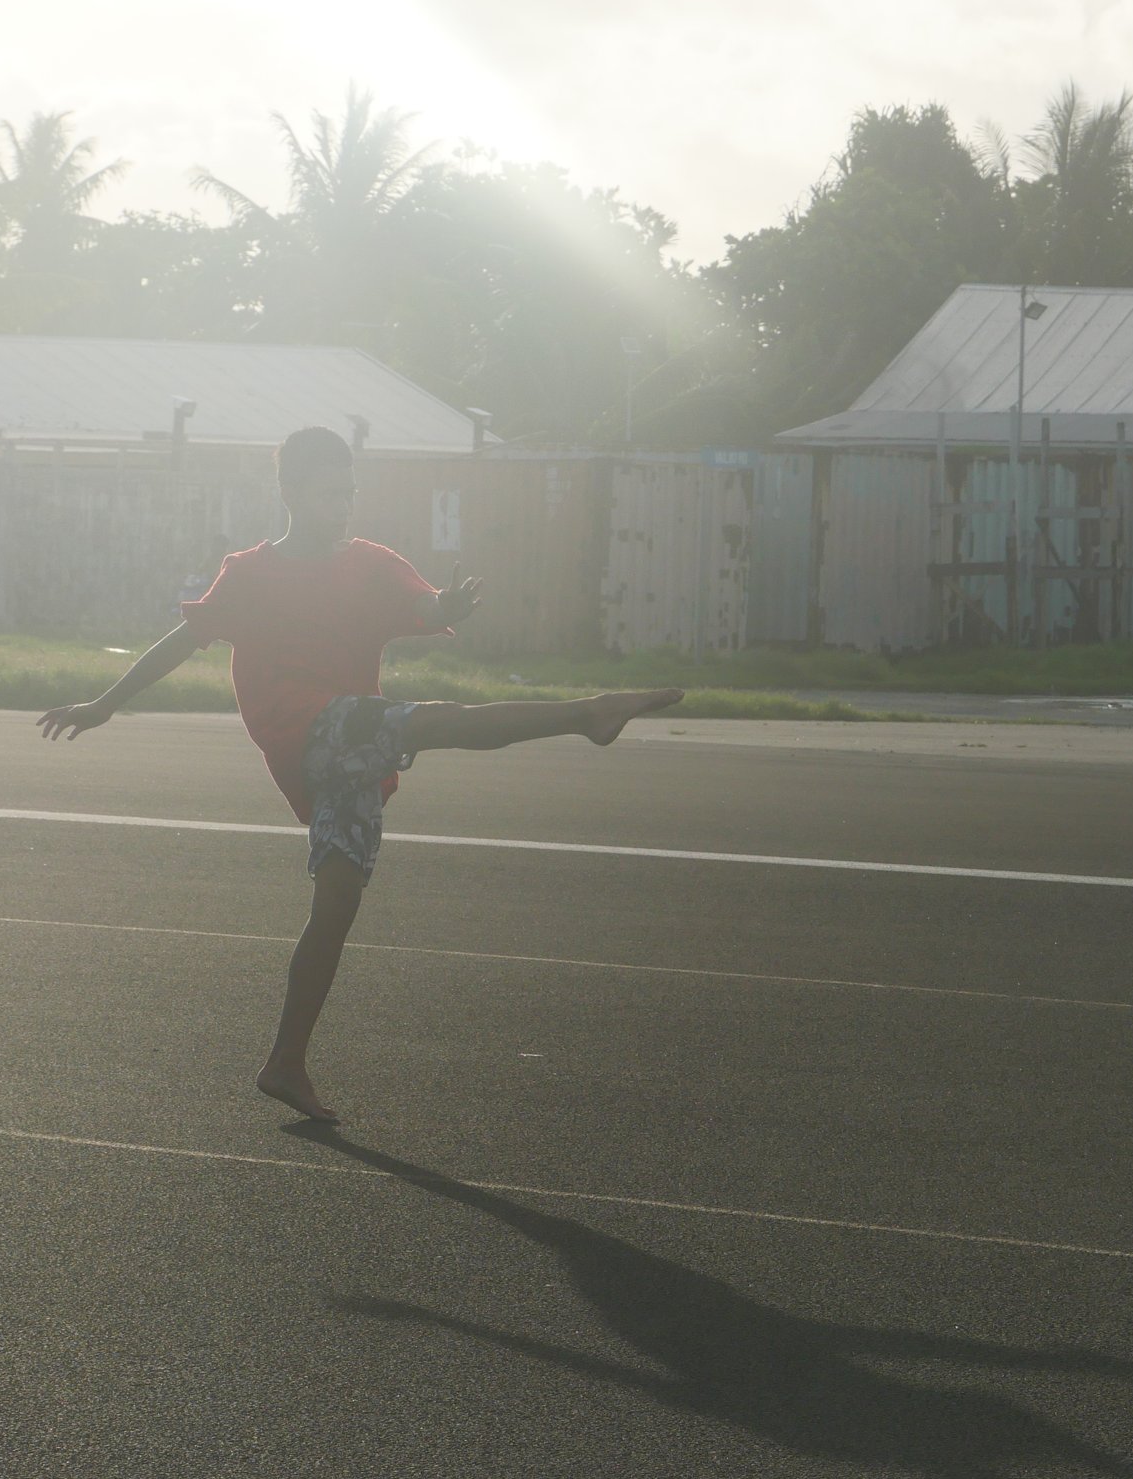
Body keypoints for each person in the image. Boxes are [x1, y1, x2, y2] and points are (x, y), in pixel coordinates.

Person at [37, 425, 681, 1122]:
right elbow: (180, 641)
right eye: (326, 495)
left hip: (351, 751)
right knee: (435, 721)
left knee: (337, 900)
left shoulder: (370, 563)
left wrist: (448, 606)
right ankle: (587, 714)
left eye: (348, 494)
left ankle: (284, 1061)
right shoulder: (249, 572)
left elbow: (425, 602)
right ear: (288, 493)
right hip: (304, 730)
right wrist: (104, 704)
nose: (341, 508)